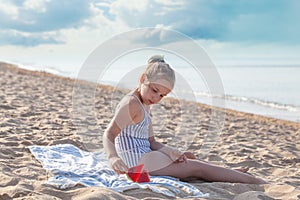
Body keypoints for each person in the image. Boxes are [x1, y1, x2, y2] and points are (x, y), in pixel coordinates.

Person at [103, 55, 267, 184]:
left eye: (162, 95)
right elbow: (109, 134)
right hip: (135, 162)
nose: (157, 97)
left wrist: (169, 151)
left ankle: (228, 172)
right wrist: (113, 158)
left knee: (188, 157)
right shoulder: (132, 104)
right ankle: (256, 181)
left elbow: (151, 141)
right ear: (142, 79)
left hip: (144, 153)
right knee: (196, 168)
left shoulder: (145, 102)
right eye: (154, 90)